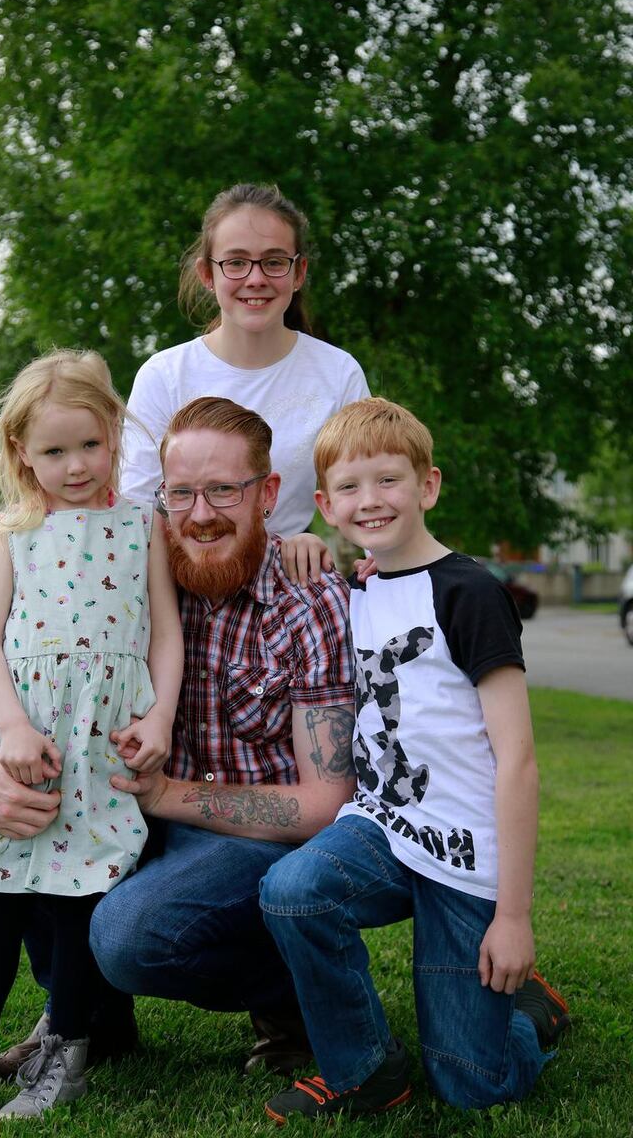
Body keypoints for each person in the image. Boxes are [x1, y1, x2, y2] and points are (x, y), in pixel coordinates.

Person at [0, 396, 356, 1080]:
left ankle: (292, 994)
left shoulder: (307, 599)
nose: (200, 513)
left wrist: (165, 794)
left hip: (259, 839)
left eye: (224, 489)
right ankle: (87, 1021)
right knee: (42, 826)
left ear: (268, 493)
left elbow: (322, 805)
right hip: (141, 810)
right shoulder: (131, 556)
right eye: (182, 492)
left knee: (131, 934)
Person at [259, 397, 571, 1124]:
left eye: (388, 480)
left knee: (474, 1085)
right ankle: (362, 1070)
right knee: (293, 888)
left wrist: (514, 917)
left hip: (465, 853)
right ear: (327, 506)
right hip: (385, 829)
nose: (371, 499)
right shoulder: (360, 590)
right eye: (350, 487)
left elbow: (518, 761)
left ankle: (531, 1015)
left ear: (427, 486)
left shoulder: (470, 594)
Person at [0, 349, 182, 1131]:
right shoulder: (13, 533)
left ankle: (67, 1055)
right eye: (54, 450)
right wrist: (11, 729)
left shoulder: (141, 526)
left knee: (77, 910)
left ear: (115, 433)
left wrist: (158, 719)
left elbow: (165, 634)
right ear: (22, 451)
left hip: (100, 748)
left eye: (89, 445)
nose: (75, 464)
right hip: (27, 747)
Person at [121, 182, 370, 582]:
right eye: (236, 263)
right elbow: (137, 514)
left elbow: (368, 492)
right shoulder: (164, 376)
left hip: (288, 593)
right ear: (207, 273)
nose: (255, 278)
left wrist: (308, 540)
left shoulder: (338, 374)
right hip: (182, 590)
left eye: (273, 262)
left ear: (298, 272)